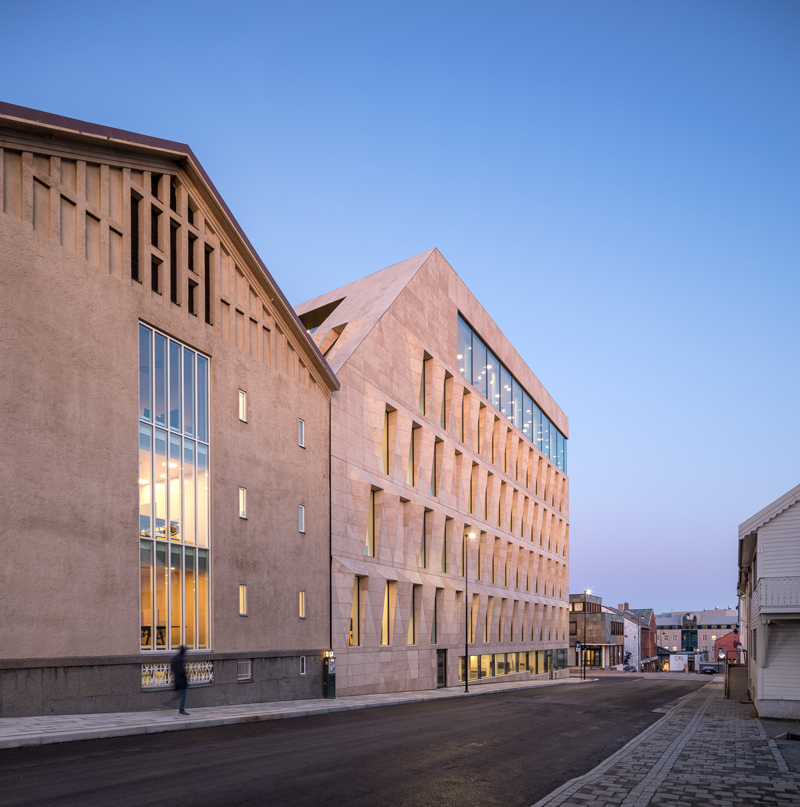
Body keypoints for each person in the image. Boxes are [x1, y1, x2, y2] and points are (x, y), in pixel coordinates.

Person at [162, 645, 189, 714]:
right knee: (183, 695)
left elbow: (172, 668)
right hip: (182, 681)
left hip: (176, 679)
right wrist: (185, 679)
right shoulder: (181, 659)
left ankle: (166, 704)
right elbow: (182, 671)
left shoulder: (175, 658)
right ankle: (181, 710)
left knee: (178, 695)